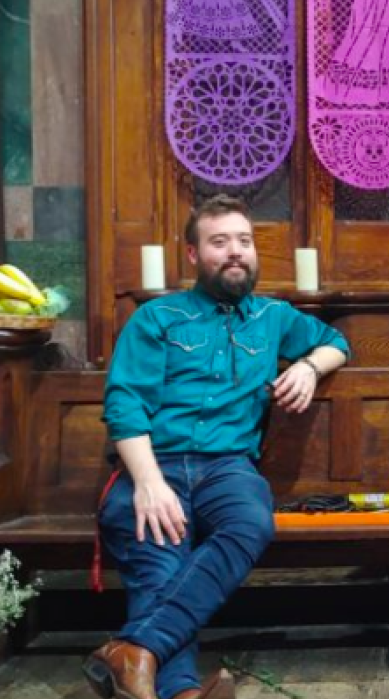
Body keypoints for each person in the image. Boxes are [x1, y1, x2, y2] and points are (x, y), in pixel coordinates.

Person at [85, 195, 350, 699]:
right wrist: (147, 482)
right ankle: (181, 692)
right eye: (219, 242)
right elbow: (125, 405)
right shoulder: (156, 318)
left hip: (227, 468)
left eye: (244, 242)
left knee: (251, 521)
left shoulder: (274, 318)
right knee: (157, 550)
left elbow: (337, 340)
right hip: (152, 462)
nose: (235, 252)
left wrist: (309, 366)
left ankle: (133, 651)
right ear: (192, 255)